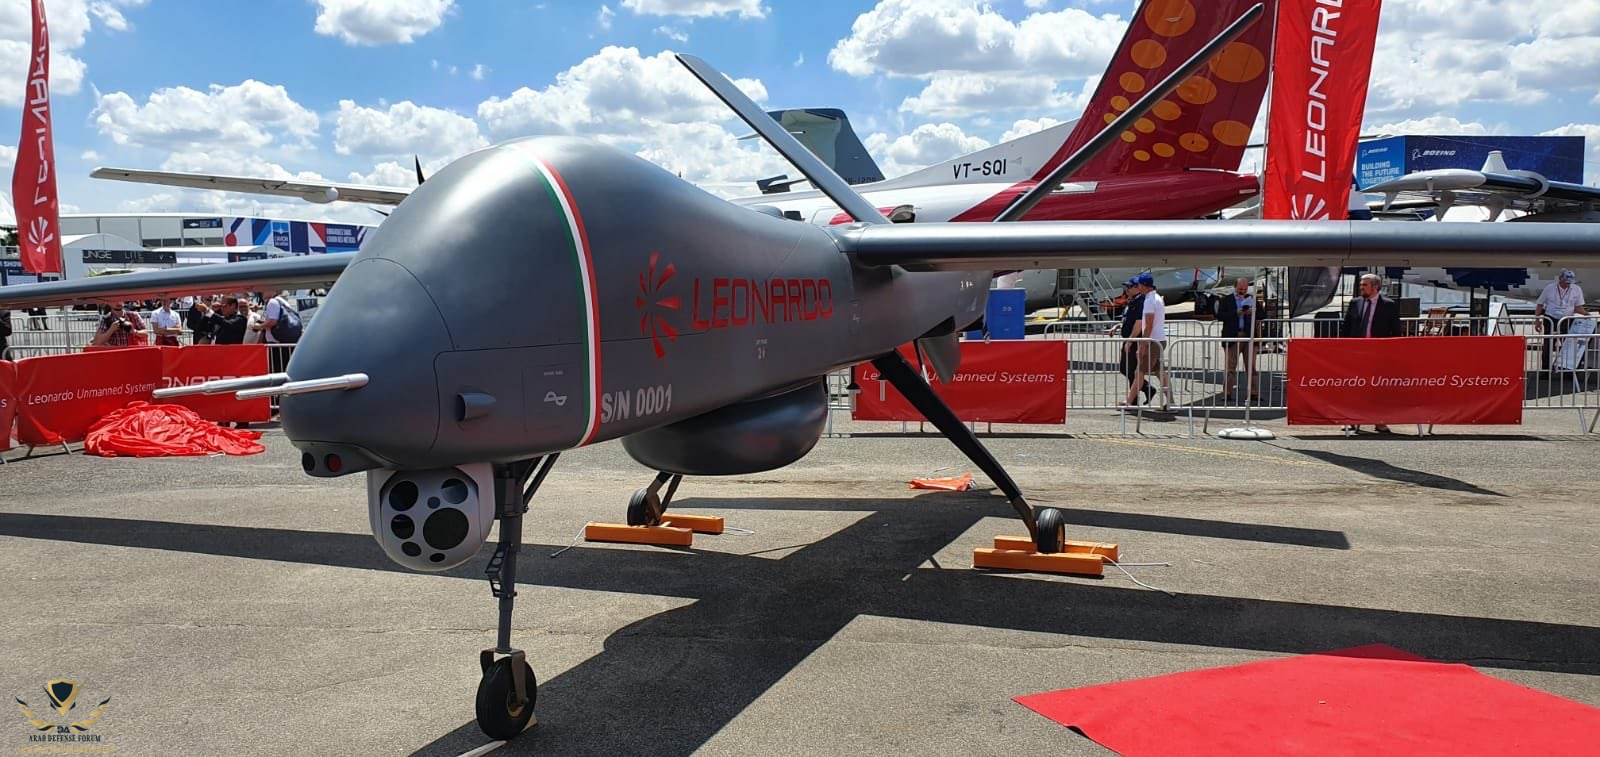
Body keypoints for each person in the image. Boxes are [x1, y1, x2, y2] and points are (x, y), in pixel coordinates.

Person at [1339, 273, 1402, 432]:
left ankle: (1379, 420)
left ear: (1375, 287)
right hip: (1356, 353)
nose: (1361, 287)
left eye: (1364, 285)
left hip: (1378, 354)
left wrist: (1390, 352)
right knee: (1354, 387)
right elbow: (1346, 327)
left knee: (1378, 388)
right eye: (1361, 284)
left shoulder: (1389, 305)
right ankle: (1351, 419)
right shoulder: (1355, 303)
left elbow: (1396, 331)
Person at [1124, 273, 1175, 410]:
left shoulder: (1149, 301)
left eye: (1139, 285)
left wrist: (1143, 344)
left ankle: (1129, 402)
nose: (1138, 287)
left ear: (1143, 286)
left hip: (1153, 341)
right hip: (1158, 340)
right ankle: (1171, 402)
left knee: (1139, 372)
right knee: (1159, 372)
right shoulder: (1156, 298)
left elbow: (1149, 324)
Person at [1111, 278, 1156, 404]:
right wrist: (1118, 325)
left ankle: (1137, 397)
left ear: (1137, 287)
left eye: (1129, 287)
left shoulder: (1141, 302)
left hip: (1135, 340)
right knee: (1126, 368)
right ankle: (1144, 390)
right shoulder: (1132, 300)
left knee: (1130, 369)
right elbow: (1127, 318)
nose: (1127, 290)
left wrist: (1131, 340)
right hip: (1129, 339)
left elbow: (1138, 323)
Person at [1214, 276, 1258, 400]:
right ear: (1235, 287)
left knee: (1251, 367)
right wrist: (1236, 313)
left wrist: (1252, 312)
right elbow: (1220, 316)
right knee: (1230, 367)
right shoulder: (1226, 300)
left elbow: (1262, 314)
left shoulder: (1251, 299)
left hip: (1249, 335)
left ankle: (1253, 393)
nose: (1242, 291)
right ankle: (1227, 393)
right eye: (1240, 289)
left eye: (1245, 289)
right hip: (1233, 336)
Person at [1534, 269, 1588, 370]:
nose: (1567, 285)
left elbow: (1578, 307)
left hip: (1567, 320)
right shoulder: (1549, 288)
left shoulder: (1576, 289)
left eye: (1569, 283)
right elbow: (1540, 304)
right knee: (1548, 345)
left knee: (1568, 346)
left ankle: (1566, 370)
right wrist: (1537, 321)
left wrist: (1586, 314)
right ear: (1560, 279)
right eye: (1565, 282)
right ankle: (1545, 370)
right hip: (1550, 319)